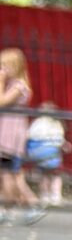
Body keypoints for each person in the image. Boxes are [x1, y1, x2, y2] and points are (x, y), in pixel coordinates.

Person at [0, 48, 33, 208]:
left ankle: (9, 207)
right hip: (6, 133)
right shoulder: (12, 85)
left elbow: (2, 102)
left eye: (5, 66)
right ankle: (30, 205)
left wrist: (0, 81)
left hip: (9, 137)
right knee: (13, 173)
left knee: (7, 172)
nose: (2, 70)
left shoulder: (19, 86)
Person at [25, 103, 65, 205]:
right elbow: (59, 140)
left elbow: (28, 136)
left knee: (43, 175)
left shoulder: (36, 123)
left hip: (39, 155)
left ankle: (44, 195)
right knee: (56, 175)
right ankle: (56, 196)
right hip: (53, 155)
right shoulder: (56, 124)